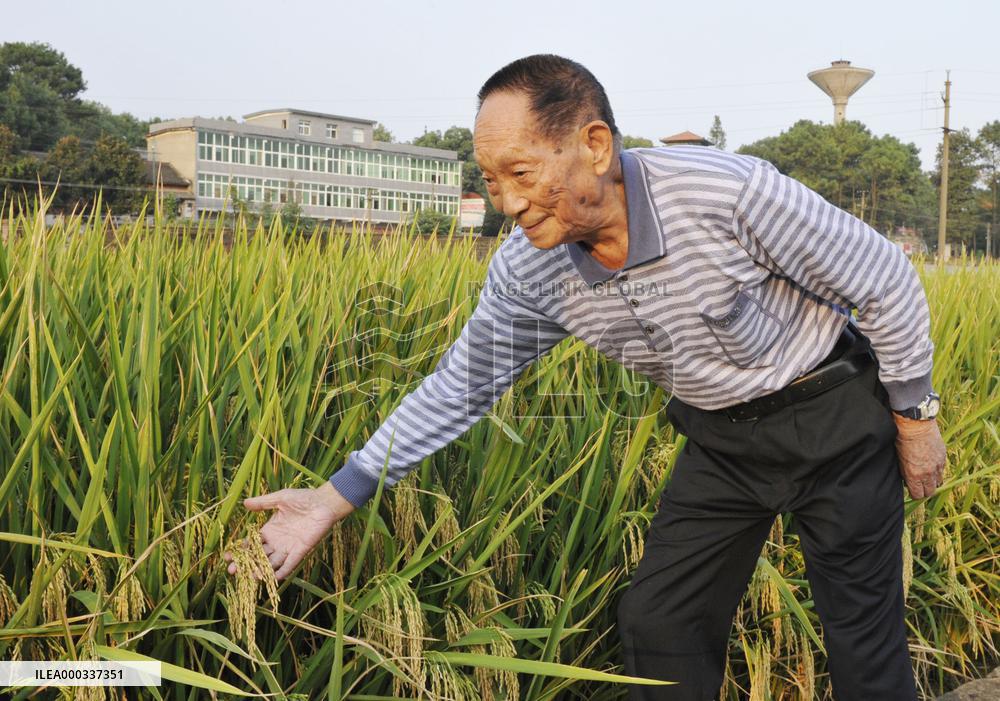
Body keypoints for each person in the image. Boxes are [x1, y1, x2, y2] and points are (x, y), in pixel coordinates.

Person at [223, 54, 947, 700]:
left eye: (522, 173)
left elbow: (884, 278)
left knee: (862, 642)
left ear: (594, 146)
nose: (508, 201)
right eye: (491, 179)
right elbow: (461, 384)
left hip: (833, 416)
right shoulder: (530, 266)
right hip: (722, 441)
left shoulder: (726, 194)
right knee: (659, 621)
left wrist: (916, 418)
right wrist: (332, 496)